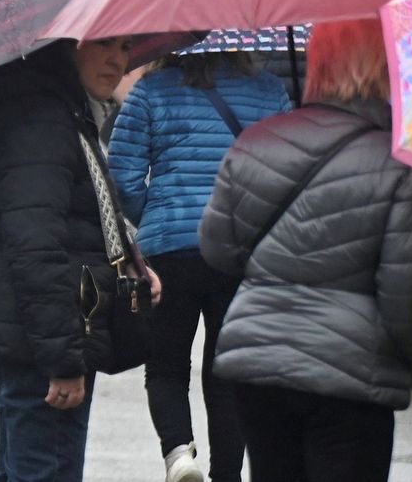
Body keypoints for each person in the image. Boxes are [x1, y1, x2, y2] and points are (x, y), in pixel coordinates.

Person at [199, 19, 412, 482]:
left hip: (257, 362)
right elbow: (401, 286)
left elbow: (217, 249)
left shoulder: (256, 142)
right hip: (352, 373)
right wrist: (410, 365)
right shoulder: (400, 163)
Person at [0, 37, 160, 482]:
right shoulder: (41, 121)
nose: (118, 60)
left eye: (125, 46)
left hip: (50, 329)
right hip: (43, 337)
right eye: (103, 44)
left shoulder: (62, 112)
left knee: (26, 469)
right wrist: (61, 362)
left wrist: (130, 262)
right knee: (43, 470)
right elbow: (35, 248)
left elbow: (83, 221)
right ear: (65, 48)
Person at [108, 50, 292, 482]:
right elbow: (288, 171)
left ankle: (178, 455)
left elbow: (122, 175)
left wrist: (151, 216)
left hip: (170, 248)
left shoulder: (150, 91)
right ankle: (226, 475)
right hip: (240, 249)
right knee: (226, 369)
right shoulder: (269, 91)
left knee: (166, 362)